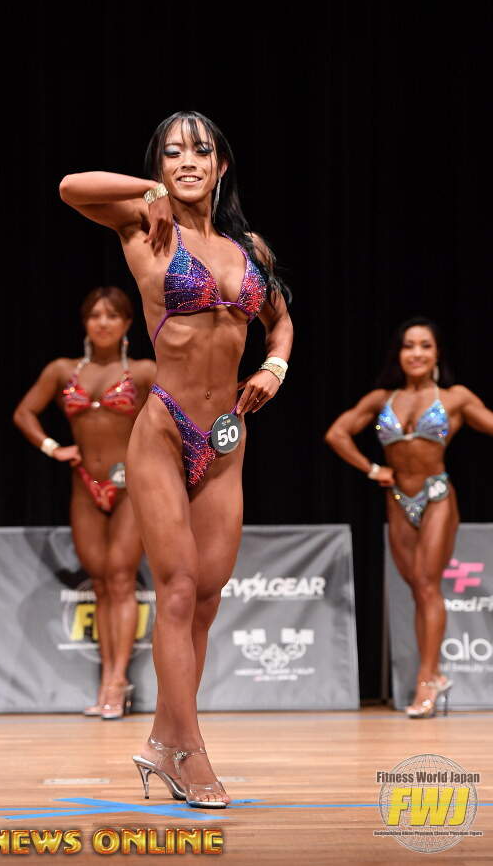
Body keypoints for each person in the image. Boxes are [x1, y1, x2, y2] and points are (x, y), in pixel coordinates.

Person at [59, 110, 293, 808]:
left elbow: (280, 319)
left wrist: (275, 364)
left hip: (225, 437)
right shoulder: (144, 226)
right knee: (180, 588)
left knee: (208, 597)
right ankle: (190, 752)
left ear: (221, 166)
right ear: (159, 166)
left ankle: (163, 740)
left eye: (201, 151)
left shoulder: (249, 248)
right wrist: (148, 191)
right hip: (163, 430)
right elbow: (71, 186)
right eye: (172, 153)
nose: (187, 161)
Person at [325, 316, 493, 718]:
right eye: (408, 345)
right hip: (398, 498)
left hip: (437, 496)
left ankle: (427, 679)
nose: (416, 353)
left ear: (437, 354)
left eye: (425, 345)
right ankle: (433, 674)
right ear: (398, 354)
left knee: (427, 584)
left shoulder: (455, 398)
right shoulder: (382, 398)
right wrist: (372, 469)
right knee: (418, 589)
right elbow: (336, 434)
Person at [13, 287, 155, 719]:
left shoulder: (145, 371)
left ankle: (116, 681)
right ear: (84, 323)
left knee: (121, 579)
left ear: (128, 324)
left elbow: (173, 418)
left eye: (112, 315)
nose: (103, 323)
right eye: (95, 315)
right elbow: (24, 413)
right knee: (100, 582)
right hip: (84, 486)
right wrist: (53, 447)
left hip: (129, 486)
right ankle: (106, 681)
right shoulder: (62, 370)